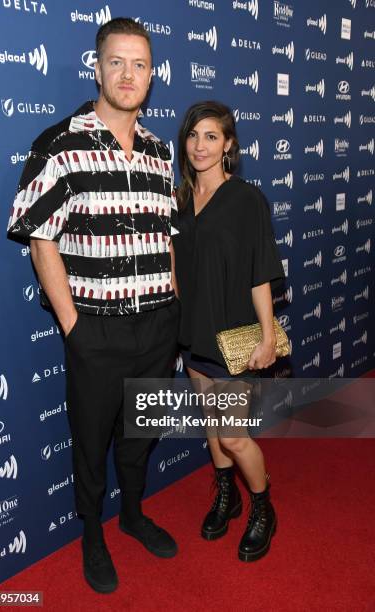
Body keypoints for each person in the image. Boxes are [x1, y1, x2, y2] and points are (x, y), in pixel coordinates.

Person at [7, 18, 180, 593]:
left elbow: (169, 237)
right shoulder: (60, 144)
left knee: (140, 432)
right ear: (97, 67)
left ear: (151, 76)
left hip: (158, 323)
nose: (128, 75)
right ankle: (92, 533)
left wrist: (175, 309)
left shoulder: (159, 152)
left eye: (140, 65)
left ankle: (132, 513)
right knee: (90, 439)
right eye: (117, 62)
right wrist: (74, 324)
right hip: (95, 330)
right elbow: (39, 236)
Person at [172, 101, 285, 561]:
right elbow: (177, 265)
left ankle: (263, 507)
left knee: (234, 434)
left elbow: (259, 272)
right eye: (194, 135)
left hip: (234, 332)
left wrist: (267, 336)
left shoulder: (246, 199)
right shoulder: (179, 200)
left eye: (212, 136)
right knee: (212, 428)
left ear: (229, 145)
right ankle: (227, 495)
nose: (201, 145)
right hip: (192, 331)